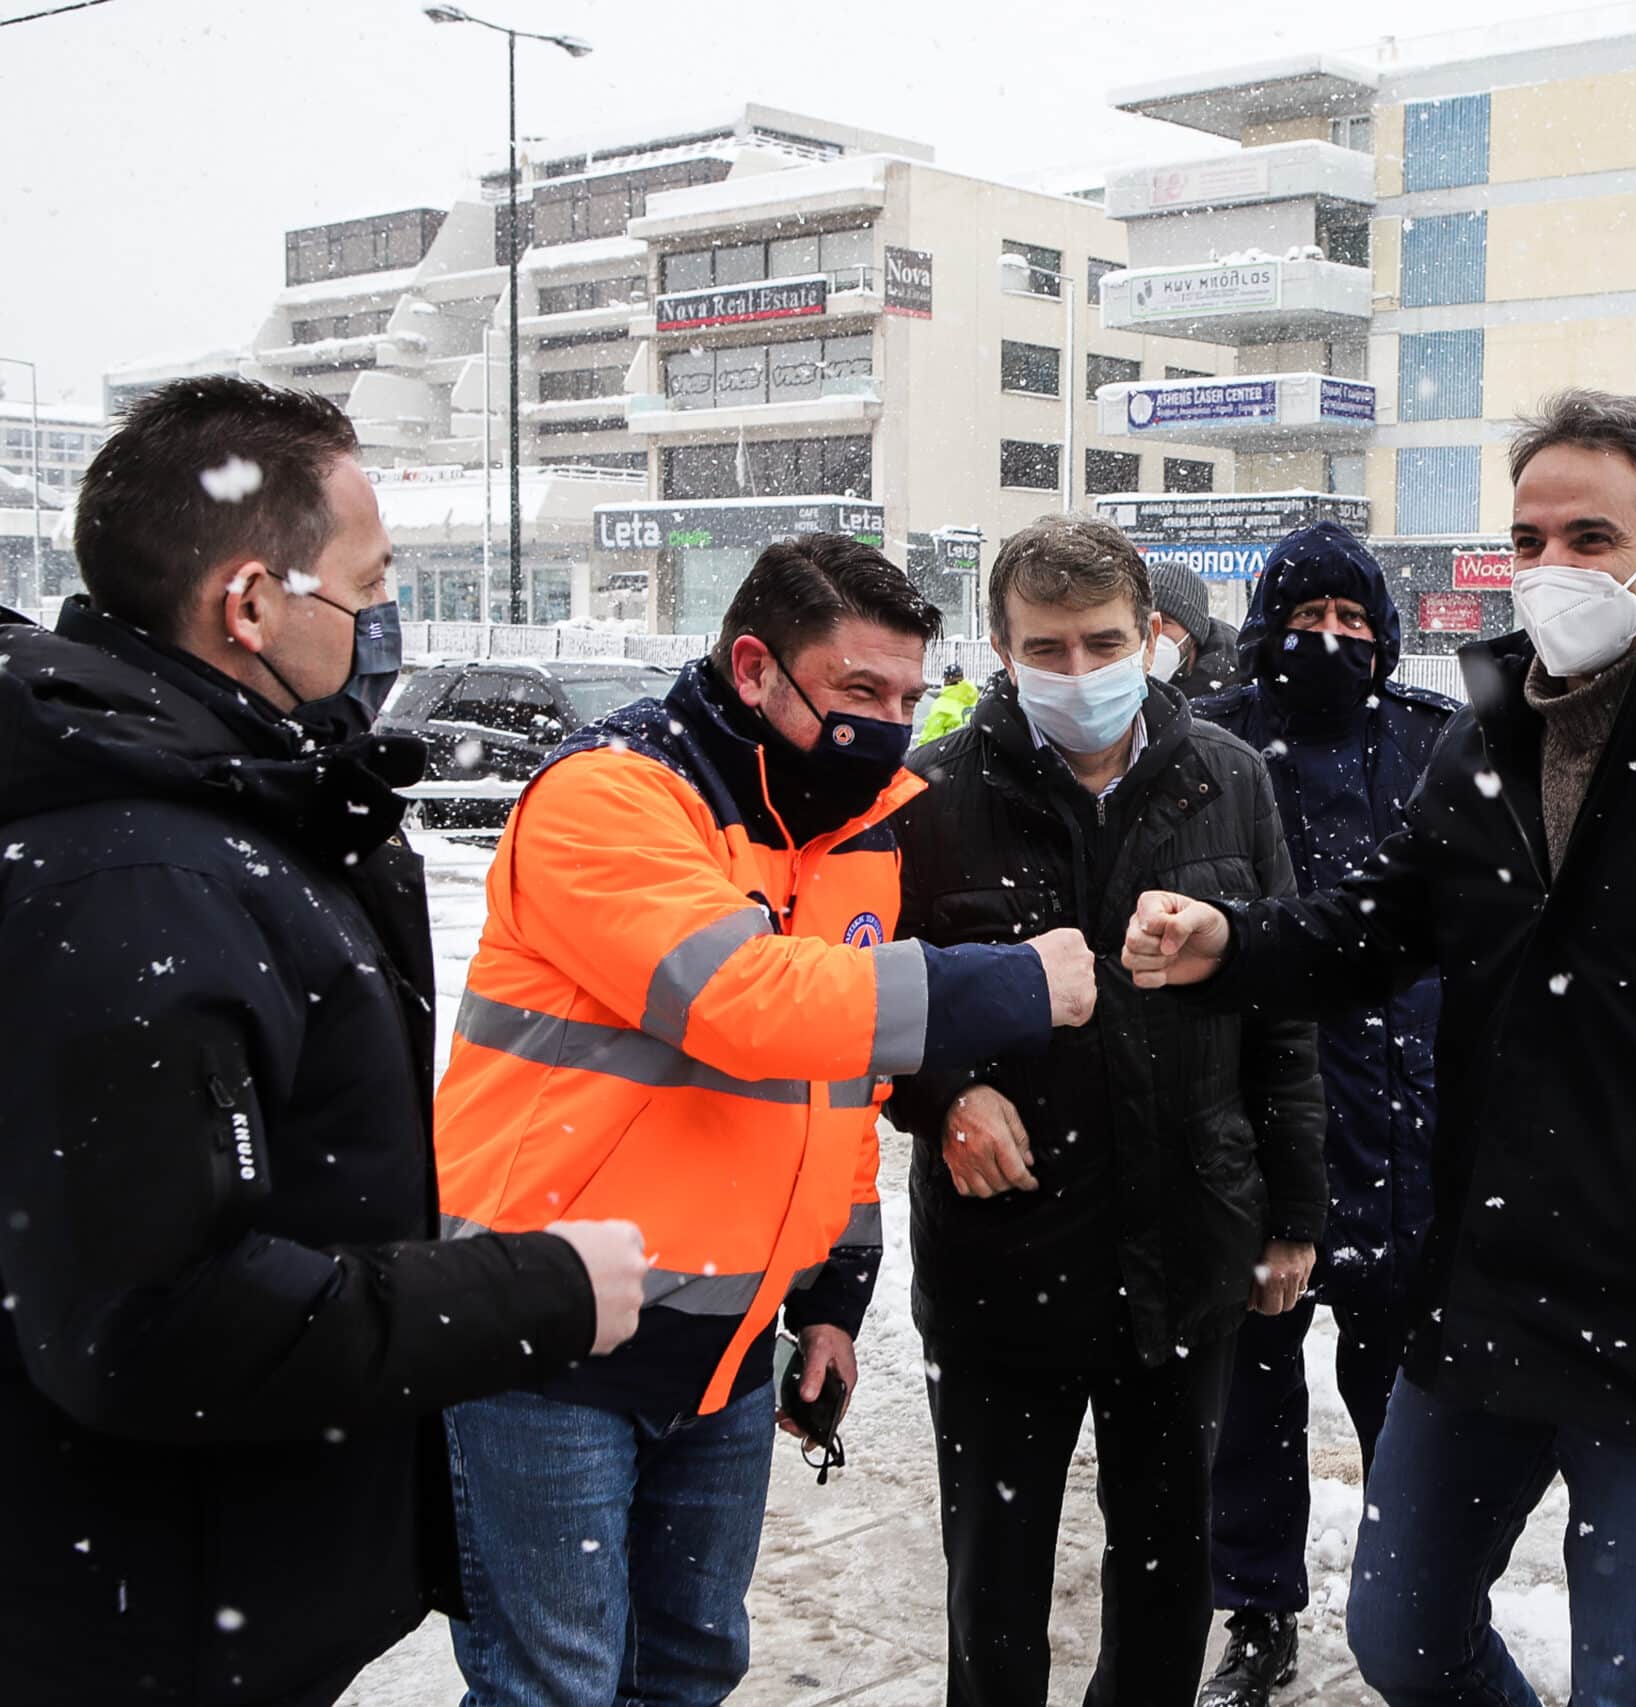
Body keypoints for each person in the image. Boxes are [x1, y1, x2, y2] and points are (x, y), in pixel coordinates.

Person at [1124, 389, 1636, 1707]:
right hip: (1486, 1296)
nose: (1554, 566)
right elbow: (1373, 924)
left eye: (1590, 535)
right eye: (1531, 536)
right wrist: (1233, 939)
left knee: (1630, 1681)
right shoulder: (1485, 743)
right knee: (1399, 1633)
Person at [0, 376, 648, 1707]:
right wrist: (539, 1290)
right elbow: (157, 1316)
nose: (380, 618)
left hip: (197, 1580)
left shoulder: (222, 812)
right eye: (366, 584)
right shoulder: (140, 880)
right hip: (151, 1611)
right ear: (251, 606)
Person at [434, 534, 1092, 1706]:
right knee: (559, 1683)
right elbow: (742, 1004)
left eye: (904, 696)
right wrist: (1012, 984)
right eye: (856, 693)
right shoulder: (614, 794)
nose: (887, 726)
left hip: (723, 1351)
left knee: (691, 1663)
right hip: (545, 1329)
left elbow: (836, 1085)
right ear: (753, 669)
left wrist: (833, 1296)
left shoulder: (849, 834)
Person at [889, 515, 1327, 1707]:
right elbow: (867, 1003)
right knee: (993, 1588)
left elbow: (1282, 1010)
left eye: (1101, 643)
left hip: (1184, 1244)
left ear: (1153, 638)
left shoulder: (1226, 779)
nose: (1077, 674)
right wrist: (941, 1096)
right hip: (1001, 1258)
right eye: (1047, 648)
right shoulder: (929, 797)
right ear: (1001, 645)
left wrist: (1293, 1215)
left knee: (1165, 1576)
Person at [1188, 521, 1458, 1707]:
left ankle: (1424, 1601)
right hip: (1264, 1132)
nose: (1330, 643)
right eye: (1306, 622)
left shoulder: (1436, 745)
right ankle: (1255, 1606)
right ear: (1266, 631)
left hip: (1412, 1135)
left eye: (1352, 622)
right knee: (1252, 1403)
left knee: (1408, 1407)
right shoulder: (1213, 748)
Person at [1149, 557, 1243, 700]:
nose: (1150, 633)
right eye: (1141, 621)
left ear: (1193, 633)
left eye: (1164, 622)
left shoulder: (1237, 695)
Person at [917, 659, 979, 745]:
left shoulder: (942, 704)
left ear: (945, 680)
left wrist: (919, 752)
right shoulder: (974, 698)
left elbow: (931, 736)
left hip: (950, 751)